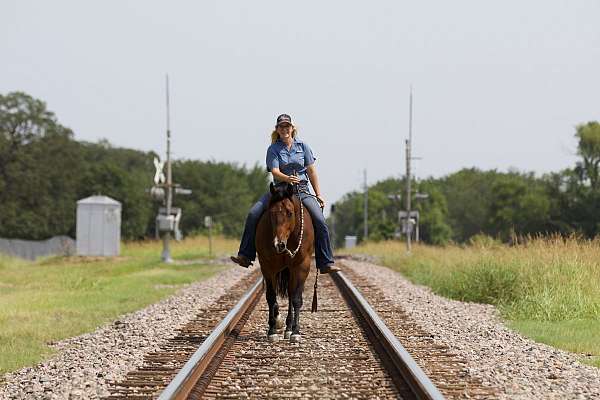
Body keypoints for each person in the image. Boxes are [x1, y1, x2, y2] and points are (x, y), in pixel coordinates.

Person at [230, 114, 340, 274]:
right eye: (281, 127)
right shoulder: (273, 149)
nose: (284, 129)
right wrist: (287, 178)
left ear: (292, 128)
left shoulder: (303, 147)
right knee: (253, 214)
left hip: (301, 190)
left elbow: (311, 171)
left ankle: (325, 261)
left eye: (287, 126)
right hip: (280, 191)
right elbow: (274, 172)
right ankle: (246, 255)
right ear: (277, 129)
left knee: (320, 221)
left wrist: (319, 194)